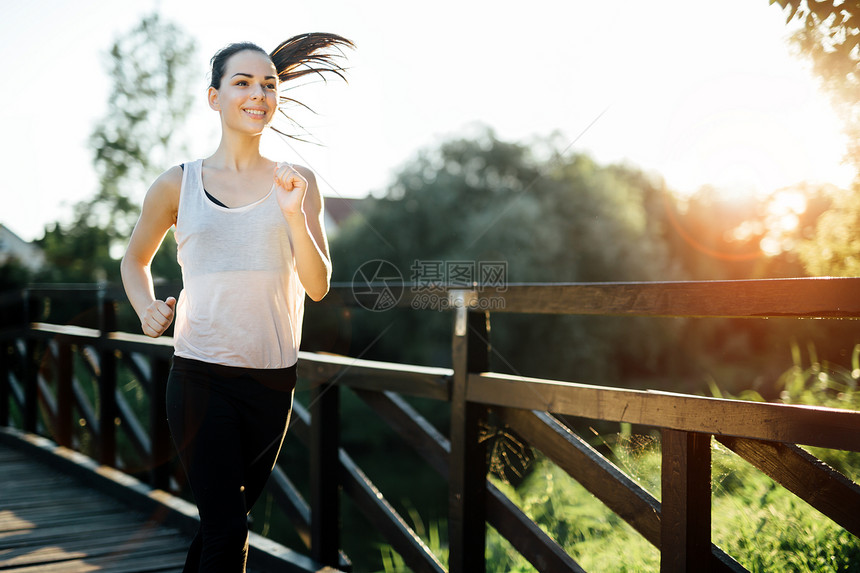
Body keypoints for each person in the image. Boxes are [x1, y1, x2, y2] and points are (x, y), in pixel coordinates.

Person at [120, 33, 353, 572]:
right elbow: (134, 261)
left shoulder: (298, 182)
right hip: (200, 376)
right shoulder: (178, 184)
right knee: (229, 531)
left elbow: (317, 285)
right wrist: (145, 308)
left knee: (223, 528)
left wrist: (293, 213)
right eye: (242, 82)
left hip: (272, 382)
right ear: (214, 97)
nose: (258, 94)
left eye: (269, 84)